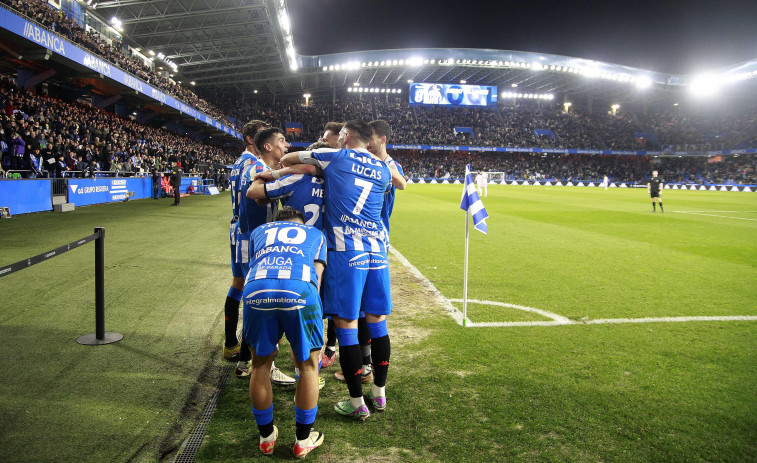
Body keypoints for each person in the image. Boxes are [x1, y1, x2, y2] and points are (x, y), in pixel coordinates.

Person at [274, 120, 401, 420]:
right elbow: (393, 184)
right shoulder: (383, 168)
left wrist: (299, 162)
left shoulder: (336, 156)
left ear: (345, 137)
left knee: (347, 327)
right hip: (378, 251)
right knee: (378, 322)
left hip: (347, 251)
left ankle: (357, 404)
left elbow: (291, 159)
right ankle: (380, 395)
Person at [243, 207, 327, 458]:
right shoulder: (315, 233)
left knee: (260, 365)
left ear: (275, 223)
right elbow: (317, 277)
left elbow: (252, 266)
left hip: (257, 288)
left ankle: (266, 438)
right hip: (300, 289)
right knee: (308, 367)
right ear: (300, 223)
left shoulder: (260, 231)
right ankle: (303, 440)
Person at [234, 126, 296, 385]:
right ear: (268, 147)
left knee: (256, 303)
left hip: (258, 242)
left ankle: (245, 360)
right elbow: (262, 180)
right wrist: (296, 168)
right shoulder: (255, 168)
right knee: (260, 303)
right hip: (254, 244)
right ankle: (260, 364)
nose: (287, 145)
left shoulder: (262, 170)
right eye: (282, 140)